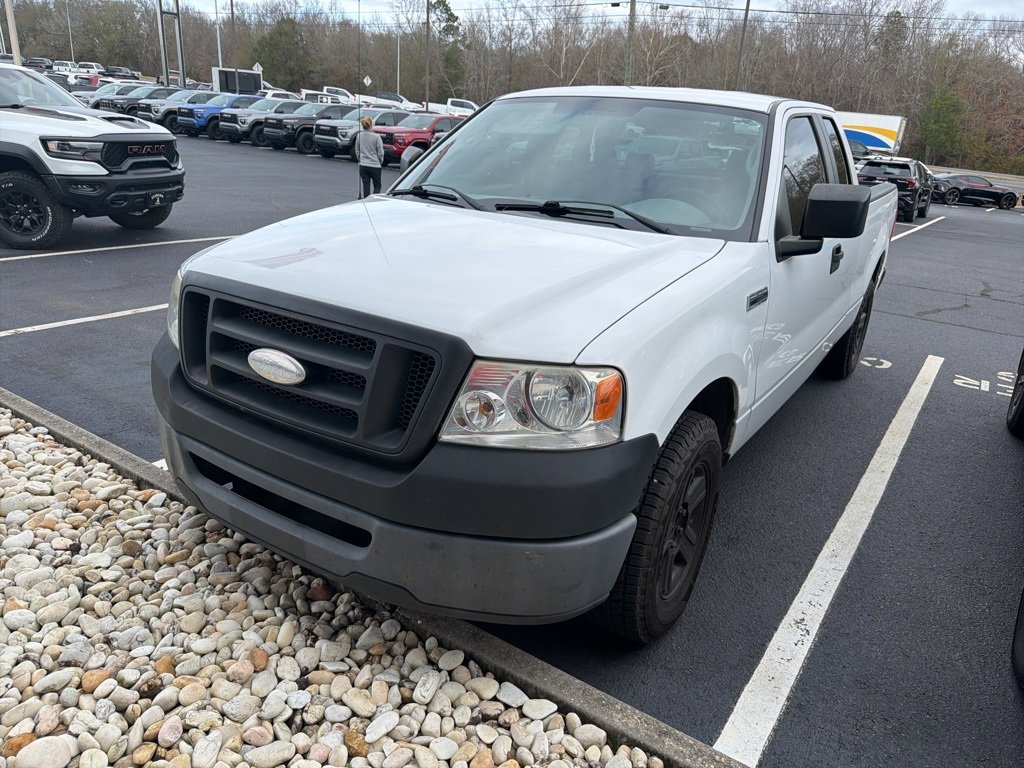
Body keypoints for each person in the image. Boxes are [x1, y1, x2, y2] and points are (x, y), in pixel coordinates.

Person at [356, 115, 384, 199]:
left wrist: (360, 160)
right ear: (371, 125)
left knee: (366, 187)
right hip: (375, 165)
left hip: (363, 165)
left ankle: (366, 201)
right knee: (377, 186)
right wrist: (380, 161)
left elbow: (357, 151)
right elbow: (380, 152)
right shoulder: (376, 137)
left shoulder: (359, 135)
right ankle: (373, 202)